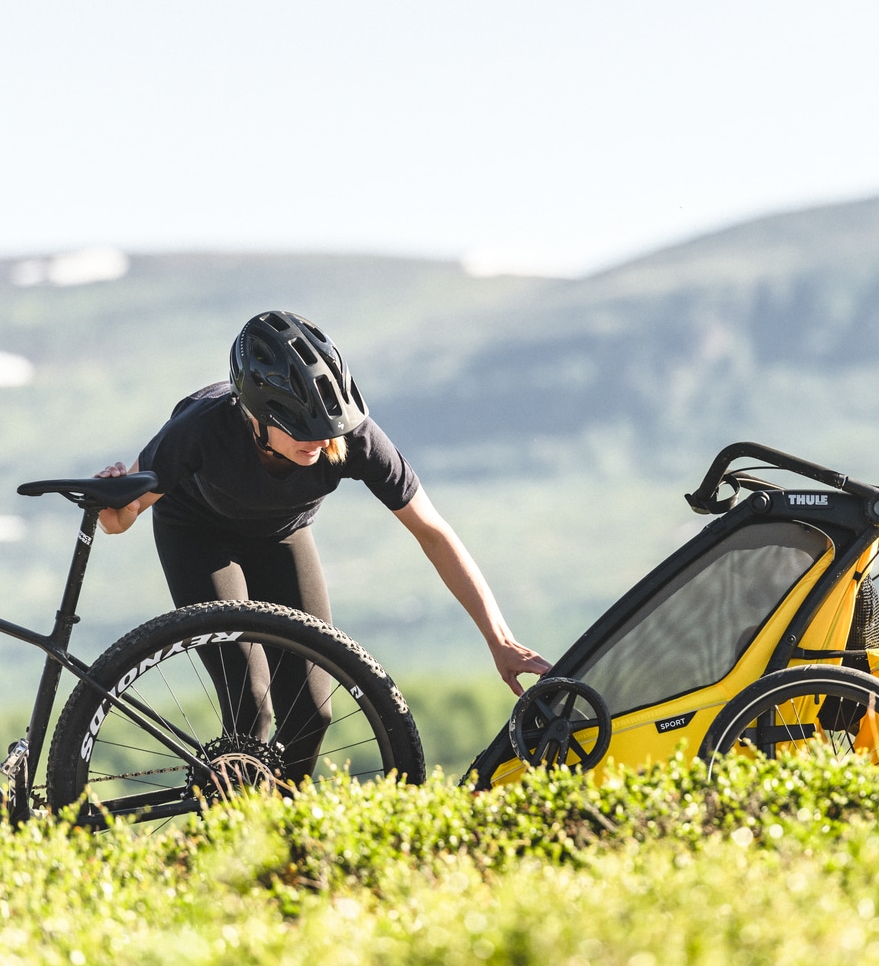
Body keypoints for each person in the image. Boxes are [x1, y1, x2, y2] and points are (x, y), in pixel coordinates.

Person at [95, 310, 549, 782]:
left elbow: (433, 532)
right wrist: (109, 503)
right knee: (252, 706)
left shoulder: (352, 436)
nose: (316, 441)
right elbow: (120, 520)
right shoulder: (201, 428)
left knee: (313, 711)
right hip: (198, 534)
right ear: (256, 416)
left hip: (282, 533)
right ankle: (236, 831)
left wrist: (499, 640)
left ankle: (285, 829)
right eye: (297, 428)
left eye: (324, 428)